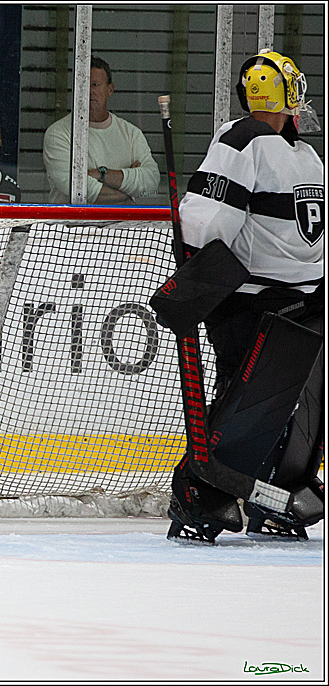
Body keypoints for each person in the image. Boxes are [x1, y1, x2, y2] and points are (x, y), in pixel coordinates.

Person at [166, 49, 324, 541]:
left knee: (288, 403)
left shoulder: (299, 149)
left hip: (301, 299)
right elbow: (209, 221)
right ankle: (199, 493)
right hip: (254, 299)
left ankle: (278, 487)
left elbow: (204, 224)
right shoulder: (245, 140)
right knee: (246, 400)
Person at [42, 57, 160, 205]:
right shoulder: (58, 134)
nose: (89, 91)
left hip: (123, 226)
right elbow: (78, 190)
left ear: (110, 90)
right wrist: (129, 190)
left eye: (95, 85)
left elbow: (151, 182)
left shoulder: (131, 134)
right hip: (73, 227)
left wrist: (100, 175)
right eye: (83, 85)